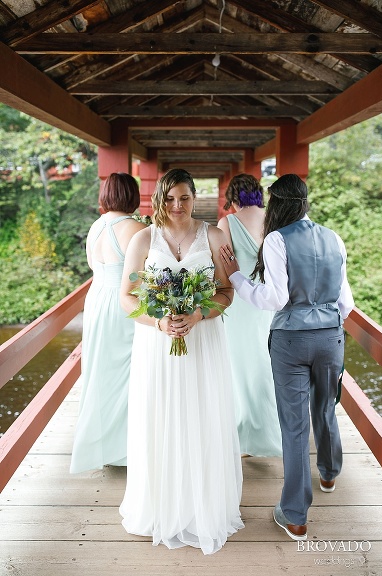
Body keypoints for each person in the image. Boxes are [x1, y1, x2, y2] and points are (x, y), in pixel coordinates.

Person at [219, 174, 354, 542]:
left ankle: (295, 515)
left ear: (278, 203)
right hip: (330, 335)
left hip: (290, 340)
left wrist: (236, 278)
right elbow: (347, 303)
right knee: (325, 407)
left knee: (294, 427)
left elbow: (274, 299)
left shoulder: (277, 239)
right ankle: (328, 472)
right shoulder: (334, 238)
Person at [119, 168, 242, 555]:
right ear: (159, 199)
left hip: (203, 344)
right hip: (156, 348)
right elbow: (125, 297)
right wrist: (158, 321)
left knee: (201, 417)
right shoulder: (143, 239)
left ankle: (201, 508)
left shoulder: (216, 236)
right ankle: (160, 507)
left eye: (185, 197)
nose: (177, 206)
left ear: (196, 197)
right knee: (159, 418)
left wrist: (198, 315)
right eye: (170, 198)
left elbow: (226, 291)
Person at [70, 173, 147, 474]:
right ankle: (127, 447)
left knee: (100, 369)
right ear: (132, 195)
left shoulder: (95, 227)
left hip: (97, 299)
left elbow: (93, 265)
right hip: (122, 302)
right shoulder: (136, 229)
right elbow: (144, 273)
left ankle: (103, 444)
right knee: (130, 369)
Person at [217, 174, 282, 458]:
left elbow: (223, 266)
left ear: (232, 198)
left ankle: (242, 436)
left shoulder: (226, 223)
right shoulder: (273, 219)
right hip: (270, 300)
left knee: (238, 366)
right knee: (267, 363)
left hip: (239, 302)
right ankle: (271, 431)